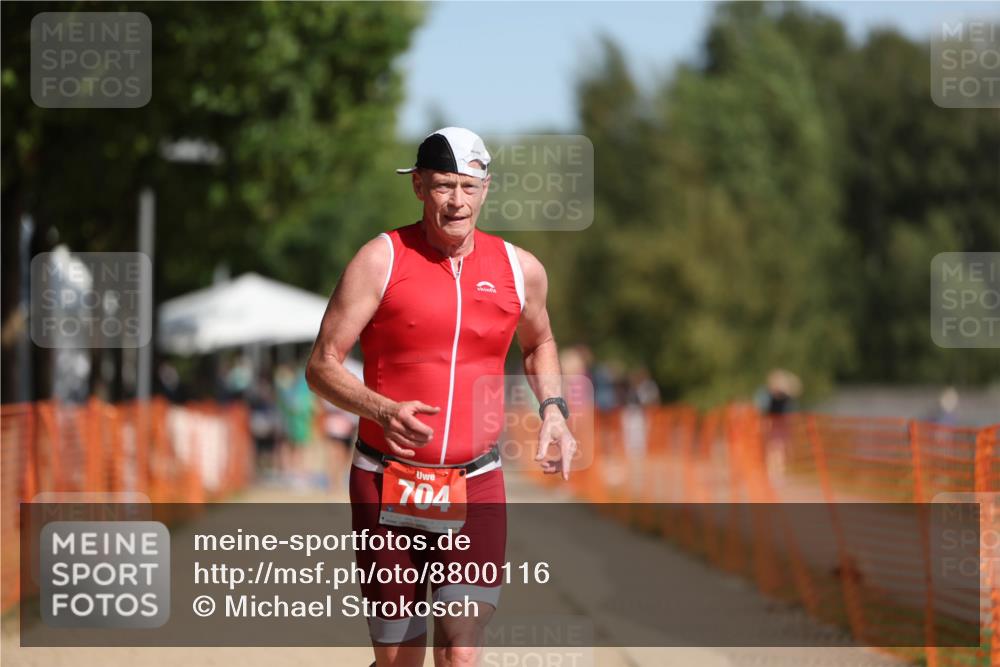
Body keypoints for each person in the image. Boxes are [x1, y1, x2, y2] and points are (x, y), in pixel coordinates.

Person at [306, 127, 577, 667]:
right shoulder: (382, 258)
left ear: (487, 188)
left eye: (468, 186)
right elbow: (321, 366)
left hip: (475, 482)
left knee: (463, 652)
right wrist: (382, 408)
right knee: (398, 660)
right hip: (387, 480)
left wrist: (555, 411)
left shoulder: (519, 270)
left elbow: (540, 342)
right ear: (419, 188)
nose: (457, 201)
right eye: (442, 186)